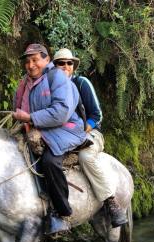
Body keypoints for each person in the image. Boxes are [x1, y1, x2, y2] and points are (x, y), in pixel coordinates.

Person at [12, 44, 86, 231]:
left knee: (50, 161)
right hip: (37, 128)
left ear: (47, 60)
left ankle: (62, 213)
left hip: (65, 129)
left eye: (35, 59)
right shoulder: (25, 83)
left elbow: (61, 112)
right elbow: (17, 107)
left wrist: (30, 118)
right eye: (27, 61)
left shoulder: (57, 77)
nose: (31, 65)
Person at [53, 48, 127, 228]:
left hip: (90, 133)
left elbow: (97, 115)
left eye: (69, 63)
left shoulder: (81, 83)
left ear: (73, 66)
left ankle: (110, 202)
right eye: (60, 63)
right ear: (54, 67)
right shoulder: (50, 88)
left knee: (85, 157)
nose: (65, 66)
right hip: (63, 137)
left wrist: (81, 132)